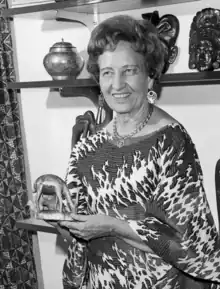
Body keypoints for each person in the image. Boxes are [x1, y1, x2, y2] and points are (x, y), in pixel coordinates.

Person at [54, 15, 220, 289]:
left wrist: (112, 226)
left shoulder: (171, 142)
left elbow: (193, 245)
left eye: (129, 70)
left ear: (150, 75)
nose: (117, 84)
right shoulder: (88, 147)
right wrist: (61, 218)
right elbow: (77, 232)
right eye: (107, 72)